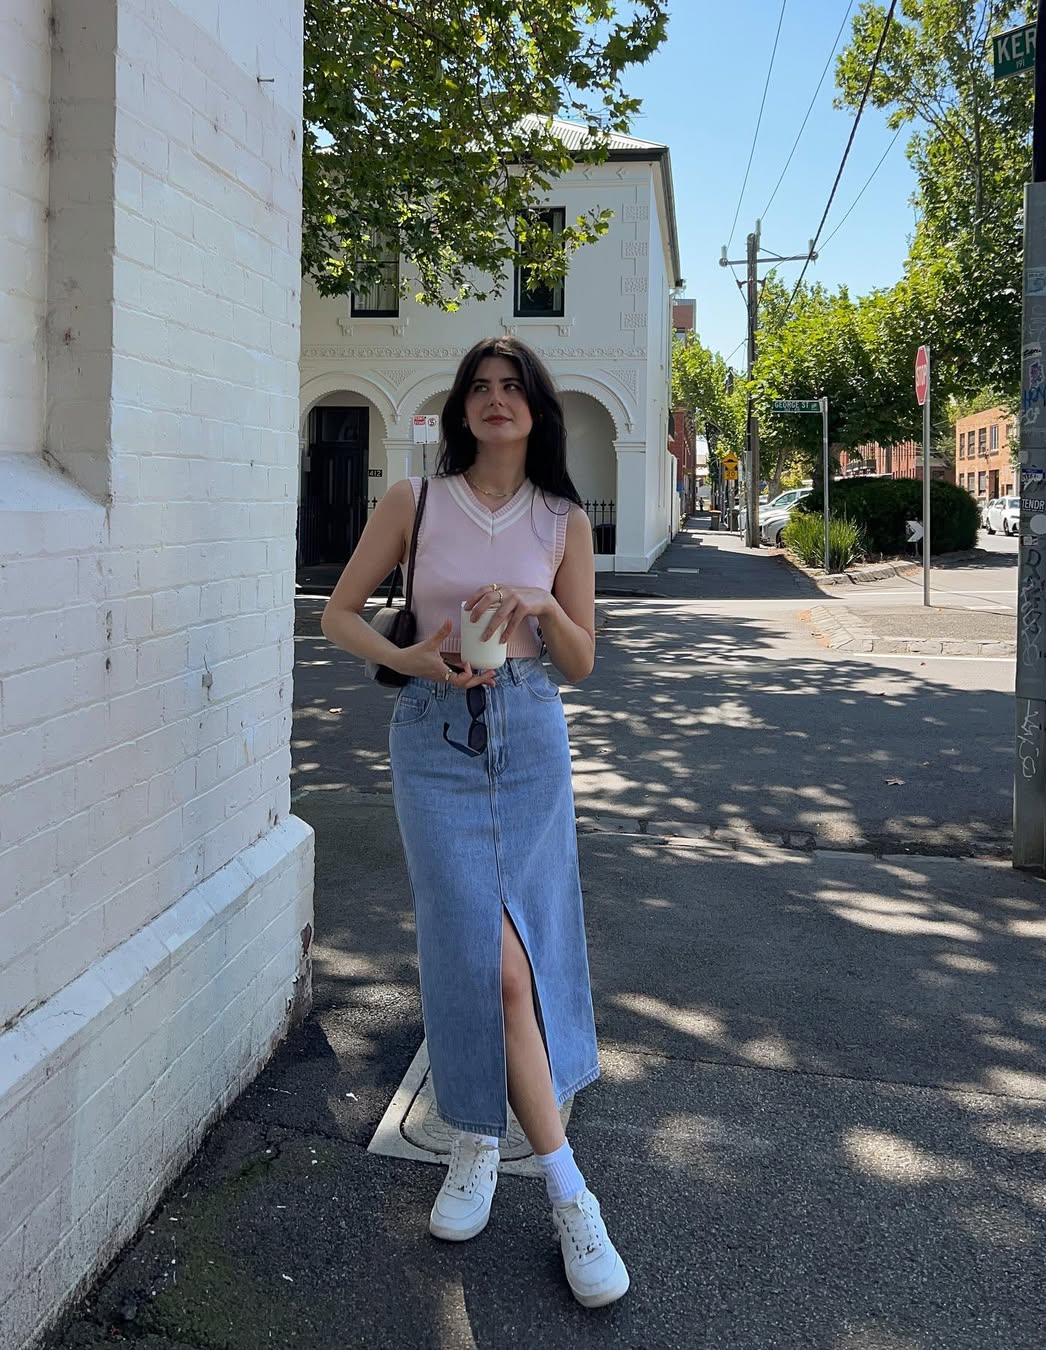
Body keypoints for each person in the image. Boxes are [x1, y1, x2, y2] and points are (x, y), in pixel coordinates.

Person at [320, 336, 629, 1309]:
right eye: (480, 389)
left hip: (531, 737)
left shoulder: (563, 518)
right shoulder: (416, 502)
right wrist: (411, 661)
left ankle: (492, 1147)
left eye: (513, 388)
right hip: (433, 738)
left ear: (537, 408)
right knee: (481, 960)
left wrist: (540, 598)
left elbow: (581, 660)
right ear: (461, 409)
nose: (496, 401)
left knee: (522, 962)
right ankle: (544, 1178)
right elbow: (339, 615)